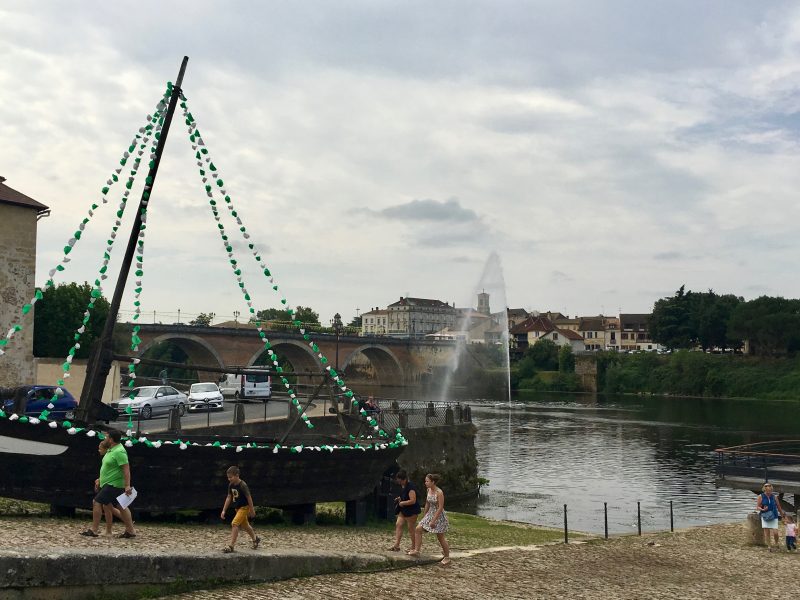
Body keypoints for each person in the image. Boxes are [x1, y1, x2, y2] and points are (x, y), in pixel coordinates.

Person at [80, 429, 137, 539]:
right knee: (121, 506)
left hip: (114, 484)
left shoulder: (119, 451)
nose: (105, 439)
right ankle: (130, 531)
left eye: (106, 437)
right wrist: (100, 479)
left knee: (96, 501)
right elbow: (109, 468)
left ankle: (94, 530)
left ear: (111, 439)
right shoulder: (111, 450)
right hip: (109, 483)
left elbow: (126, 469)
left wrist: (127, 485)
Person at [409, 473, 450, 566]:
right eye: (425, 481)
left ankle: (447, 557)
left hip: (438, 516)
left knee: (440, 537)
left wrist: (433, 520)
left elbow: (440, 507)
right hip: (430, 513)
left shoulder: (439, 492)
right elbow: (427, 503)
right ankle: (417, 550)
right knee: (418, 528)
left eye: (427, 481)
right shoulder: (428, 490)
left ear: (433, 482)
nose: (425, 483)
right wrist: (425, 516)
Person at [220, 465, 261, 553]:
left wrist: (252, 510)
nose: (229, 479)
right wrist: (224, 510)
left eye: (230, 477)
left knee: (234, 524)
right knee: (245, 525)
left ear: (237, 475)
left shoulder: (243, 485)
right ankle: (255, 539)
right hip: (237, 508)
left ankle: (231, 546)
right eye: (228, 477)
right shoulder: (231, 485)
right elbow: (229, 497)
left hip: (244, 507)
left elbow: (249, 497)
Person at [388, 470, 421, 552]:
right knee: (398, 524)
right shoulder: (403, 486)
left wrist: (403, 502)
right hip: (403, 510)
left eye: (401, 481)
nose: (399, 483)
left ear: (404, 479)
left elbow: (413, 500)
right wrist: (399, 498)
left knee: (411, 528)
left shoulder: (411, 487)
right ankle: (396, 545)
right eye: (398, 481)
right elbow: (404, 495)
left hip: (412, 510)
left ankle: (414, 546)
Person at [756, 482, 785, 551]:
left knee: (775, 532)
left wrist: (782, 515)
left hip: (774, 515)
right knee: (767, 532)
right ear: (764, 490)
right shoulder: (760, 496)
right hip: (765, 516)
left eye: (770, 490)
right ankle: (769, 546)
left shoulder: (774, 497)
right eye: (767, 490)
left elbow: (778, 506)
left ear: (771, 490)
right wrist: (762, 509)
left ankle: (776, 543)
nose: (769, 492)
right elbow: (757, 507)